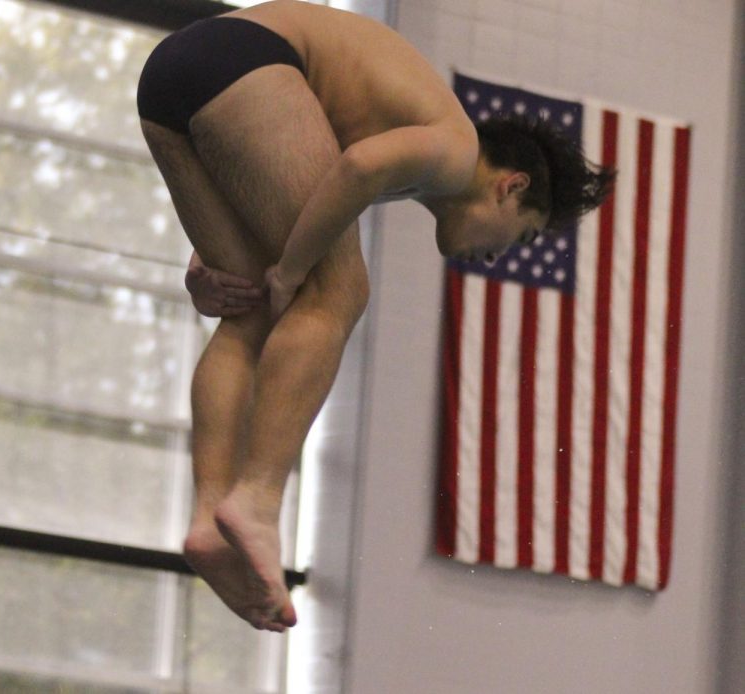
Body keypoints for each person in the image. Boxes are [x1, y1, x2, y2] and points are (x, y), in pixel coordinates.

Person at [137, 0, 614, 632]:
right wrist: (292, 268)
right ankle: (255, 498)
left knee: (246, 306)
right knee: (338, 291)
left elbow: (268, 171)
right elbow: (357, 169)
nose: (500, 257)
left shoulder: (403, 142)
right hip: (243, 59)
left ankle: (208, 520)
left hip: (173, 81)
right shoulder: (454, 147)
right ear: (512, 186)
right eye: (520, 238)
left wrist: (214, 263)